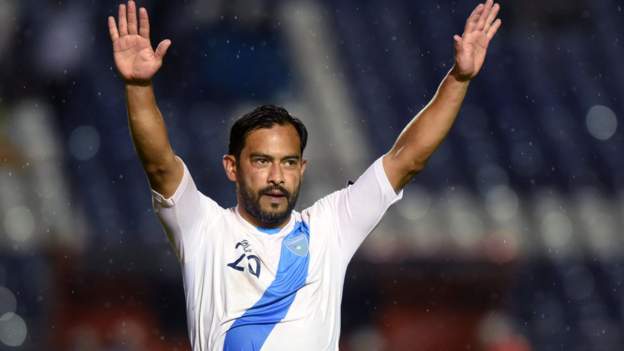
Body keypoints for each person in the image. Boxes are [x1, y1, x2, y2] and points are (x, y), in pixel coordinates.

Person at [107, 0, 501, 350]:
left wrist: (458, 79)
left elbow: (406, 159)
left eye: (289, 162)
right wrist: (139, 86)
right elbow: (160, 164)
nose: (277, 175)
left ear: (302, 168)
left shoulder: (329, 228)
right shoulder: (203, 228)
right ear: (231, 167)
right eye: (262, 161)